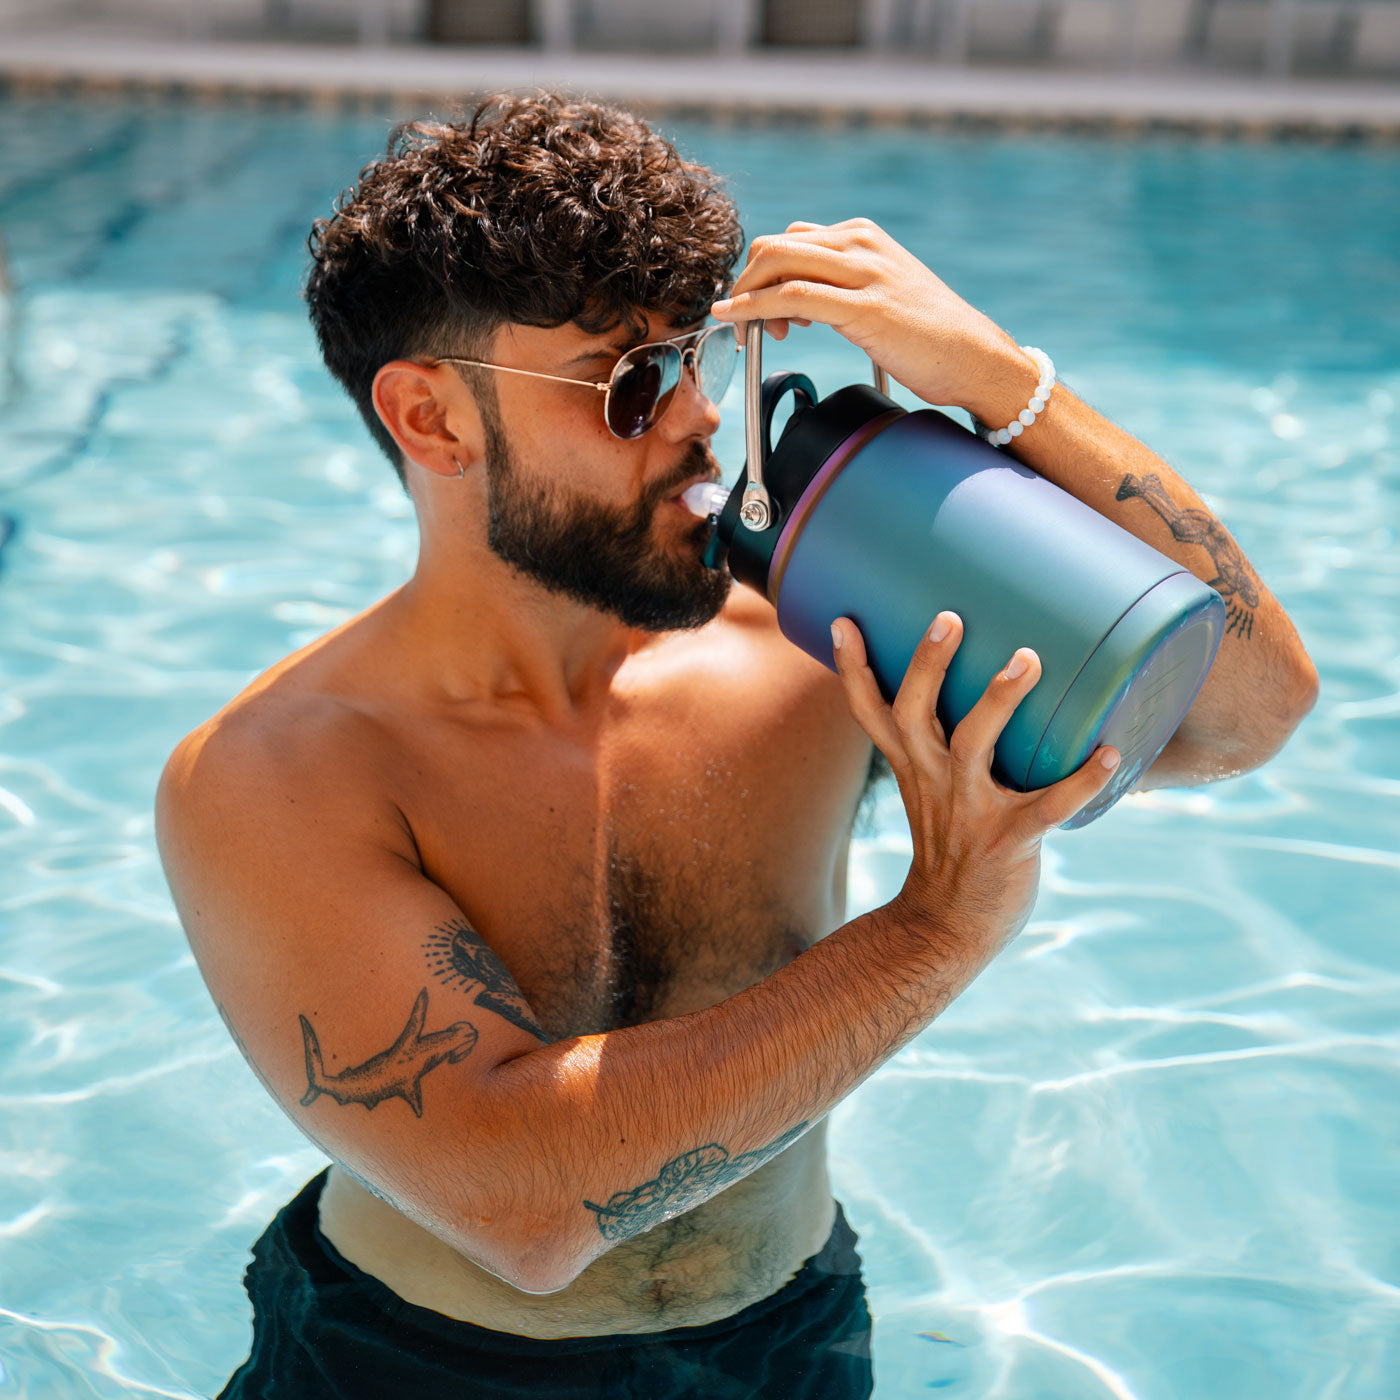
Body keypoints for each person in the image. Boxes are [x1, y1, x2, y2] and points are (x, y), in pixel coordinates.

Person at [155, 93, 1318, 1399]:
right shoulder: (282, 771)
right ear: (433, 420)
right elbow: (522, 1210)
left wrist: (1004, 381)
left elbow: (1243, 712)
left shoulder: (807, 644)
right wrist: (936, 928)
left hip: (792, 1339)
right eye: (631, 384)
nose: (700, 419)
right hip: (416, 1365)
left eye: (701, 358)